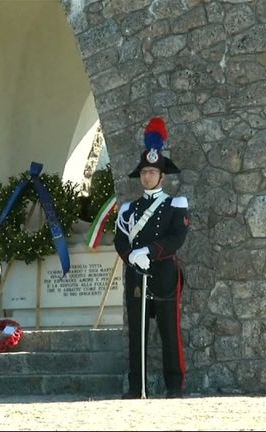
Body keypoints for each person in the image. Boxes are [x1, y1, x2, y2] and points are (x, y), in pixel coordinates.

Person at [114, 117, 190, 399]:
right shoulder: (128, 209)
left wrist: (149, 251)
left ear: (162, 176)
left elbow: (176, 238)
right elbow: (120, 239)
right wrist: (132, 255)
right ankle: (137, 387)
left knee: (170, 330)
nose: (147, 176)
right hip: (137, 274)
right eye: (144, 172)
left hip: (165, 273)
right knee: (137, 332)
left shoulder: (175, 204)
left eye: (152, 172)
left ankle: (174, 386)